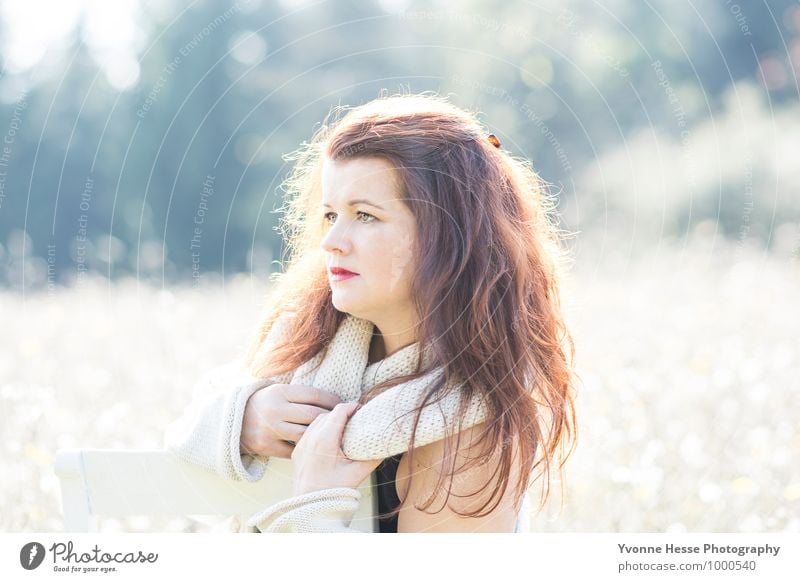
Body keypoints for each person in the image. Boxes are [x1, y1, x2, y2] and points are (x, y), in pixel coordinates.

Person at [165, 91, 577, 533]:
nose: (332, 241)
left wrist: (315, 509)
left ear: (449, 237)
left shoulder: (464, 424)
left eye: (364, 216)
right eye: (330, 215)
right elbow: (191, 424)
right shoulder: (310, 340)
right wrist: (244, 418)